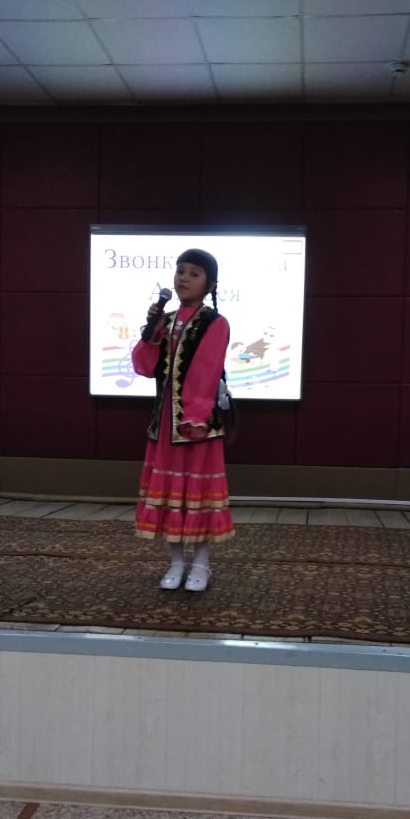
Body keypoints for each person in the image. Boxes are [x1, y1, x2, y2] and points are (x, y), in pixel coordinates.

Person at [131, 248, 234, 592]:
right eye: (180, 271)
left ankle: (201, 564)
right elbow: (145, 367)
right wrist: (151, 333)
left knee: (198, 495)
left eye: (194, 273)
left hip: (197, 424)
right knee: (171, 496)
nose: (183, 278)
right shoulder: (167, 320)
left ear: (210, 284)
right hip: (165, 426)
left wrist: (195, 415)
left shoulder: (215, 323)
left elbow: (206, 371)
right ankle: (176, 562)